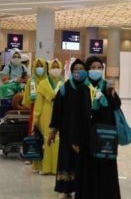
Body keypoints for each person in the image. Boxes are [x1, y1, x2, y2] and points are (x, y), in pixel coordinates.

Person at [72, 56, 121, 199]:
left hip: (105, 135)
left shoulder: (107, 86)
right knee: (87, 169)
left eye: (99, 67)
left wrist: (111, 94)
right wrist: (74, 139)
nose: (97, 70)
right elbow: (75, 116)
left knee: (106, 168)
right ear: (87, 70)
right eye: (93, 67)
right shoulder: (82, 88)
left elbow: (116, 106)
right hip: (86, 137)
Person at [49, 59, 88, 199]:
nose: (78, 71)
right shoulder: (65, 89)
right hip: (67, 133)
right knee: (67, 160)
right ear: (71, 72)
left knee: (79, 163)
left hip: (82, 134)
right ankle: (65, 189)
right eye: (76, 69)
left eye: (81, 69)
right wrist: (53, 131)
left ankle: (79, 189)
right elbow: (57, 112)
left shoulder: (86, 88)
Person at [31, 59, 64, 175]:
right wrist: (36, 117)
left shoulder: (63, 83)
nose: (55, 69)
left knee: (57, 140)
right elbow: (38, 103)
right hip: (46, 114)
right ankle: (44, 167)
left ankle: (55, 167)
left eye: (57, 66)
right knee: (45, 139)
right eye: (53, 67)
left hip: (59, 115)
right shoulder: (43, 83)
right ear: (49, 69)